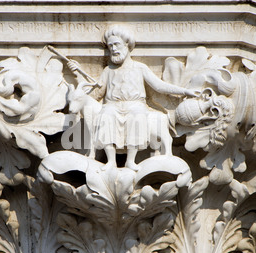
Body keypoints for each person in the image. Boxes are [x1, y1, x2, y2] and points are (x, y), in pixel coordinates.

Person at [68, 25, 198, 170]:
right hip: (112, 105)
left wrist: (185, 91)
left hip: (135, 105)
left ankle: (130, 160)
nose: (113, 49)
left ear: (127, 45)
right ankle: (111, 161)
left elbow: (159, 86)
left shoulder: (140, 67)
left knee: (137, 115)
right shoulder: (108, 70)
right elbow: (95, 94)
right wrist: (77, 74)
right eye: (110, 46)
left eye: (116, 44)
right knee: (105, 115)